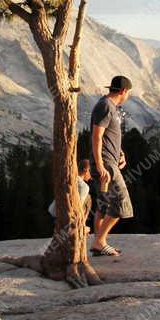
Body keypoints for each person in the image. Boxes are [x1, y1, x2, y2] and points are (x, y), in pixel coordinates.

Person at [90, 75, 134, 257]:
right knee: (122, 203)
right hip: (106, 164)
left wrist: (120, 153)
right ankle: (99, 241)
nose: (128, 96)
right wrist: (100, 165)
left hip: (110, 160)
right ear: (123, 91)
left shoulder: (112, 107)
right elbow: (97, 136)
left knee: (104, 205)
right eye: (128, 93)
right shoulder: (105, 106)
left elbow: (110, 136)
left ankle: (99, 244)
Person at [48, 158, 93, 231]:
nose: (91, 177)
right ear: (86, 171)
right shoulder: (84, 186)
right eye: (91, 172)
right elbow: (78, 207)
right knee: (88, 199)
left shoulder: (68, 178)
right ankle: (80, 227)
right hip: (67, 217)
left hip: (53, 211)